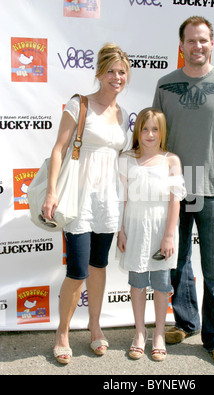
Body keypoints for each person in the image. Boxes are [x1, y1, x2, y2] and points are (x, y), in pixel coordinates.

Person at [152, 16, 214, 367]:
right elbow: (155, 138)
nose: (197, 46)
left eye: (203, 40)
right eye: (191, 41)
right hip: (178, 188)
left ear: (212, 44)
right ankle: (186, 321)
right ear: (181, 45)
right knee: (177, 263)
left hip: (210, 187)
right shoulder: (165, 85)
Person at [42, 43, 131, 364]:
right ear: (99, 73)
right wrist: (52, 192)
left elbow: (120, 161)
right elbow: (58, 149)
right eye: (110, 71)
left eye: (122, 72)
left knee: (98, 267)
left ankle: (95, 326)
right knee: (77, 271)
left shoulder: (122, 114)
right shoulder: (79, 104)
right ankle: (62, 333)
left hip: (109, 202)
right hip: (78, 201)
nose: (116, 77)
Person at [117, 108, 186, 362]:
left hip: (160, 227)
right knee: (137, 281)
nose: (149, 134)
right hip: (134, 225)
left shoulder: (171, 160)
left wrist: (168, 235)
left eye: (155, 129)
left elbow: (175, 200)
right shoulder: (125, 158)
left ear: (162, 132)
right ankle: (139, 333)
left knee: (160, 283)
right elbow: (121, 198)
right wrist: (121, 231)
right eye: (145, 128)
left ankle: (158, 332)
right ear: (138, 131)